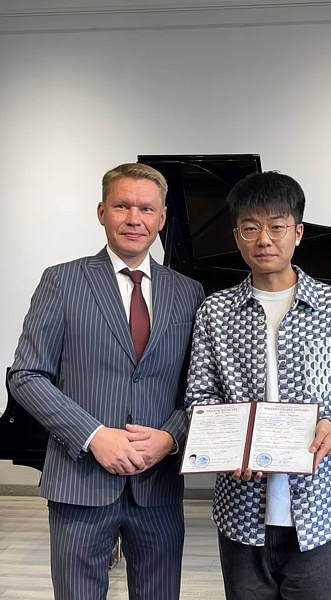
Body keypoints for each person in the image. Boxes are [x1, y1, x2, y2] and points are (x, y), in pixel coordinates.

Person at [8, 163, 204, 600]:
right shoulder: (62, 281)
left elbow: (199, 388)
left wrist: (170, 438)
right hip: (80, 482)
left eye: (146, 209)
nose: (134, 218)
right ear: (101, 212)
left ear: (162, 218)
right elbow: (26, 375)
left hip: (157, 485)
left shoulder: (189, 292)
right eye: (122, 206)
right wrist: (94, 435)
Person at [185, 171, 331, 600]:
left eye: (276, 226)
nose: (264, 240)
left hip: (317, 505)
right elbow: (200, 396)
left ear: (298, 232)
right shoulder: (214, 312)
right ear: (236, 236)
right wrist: (226, 444)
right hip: (240, 508)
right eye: (250, 228)